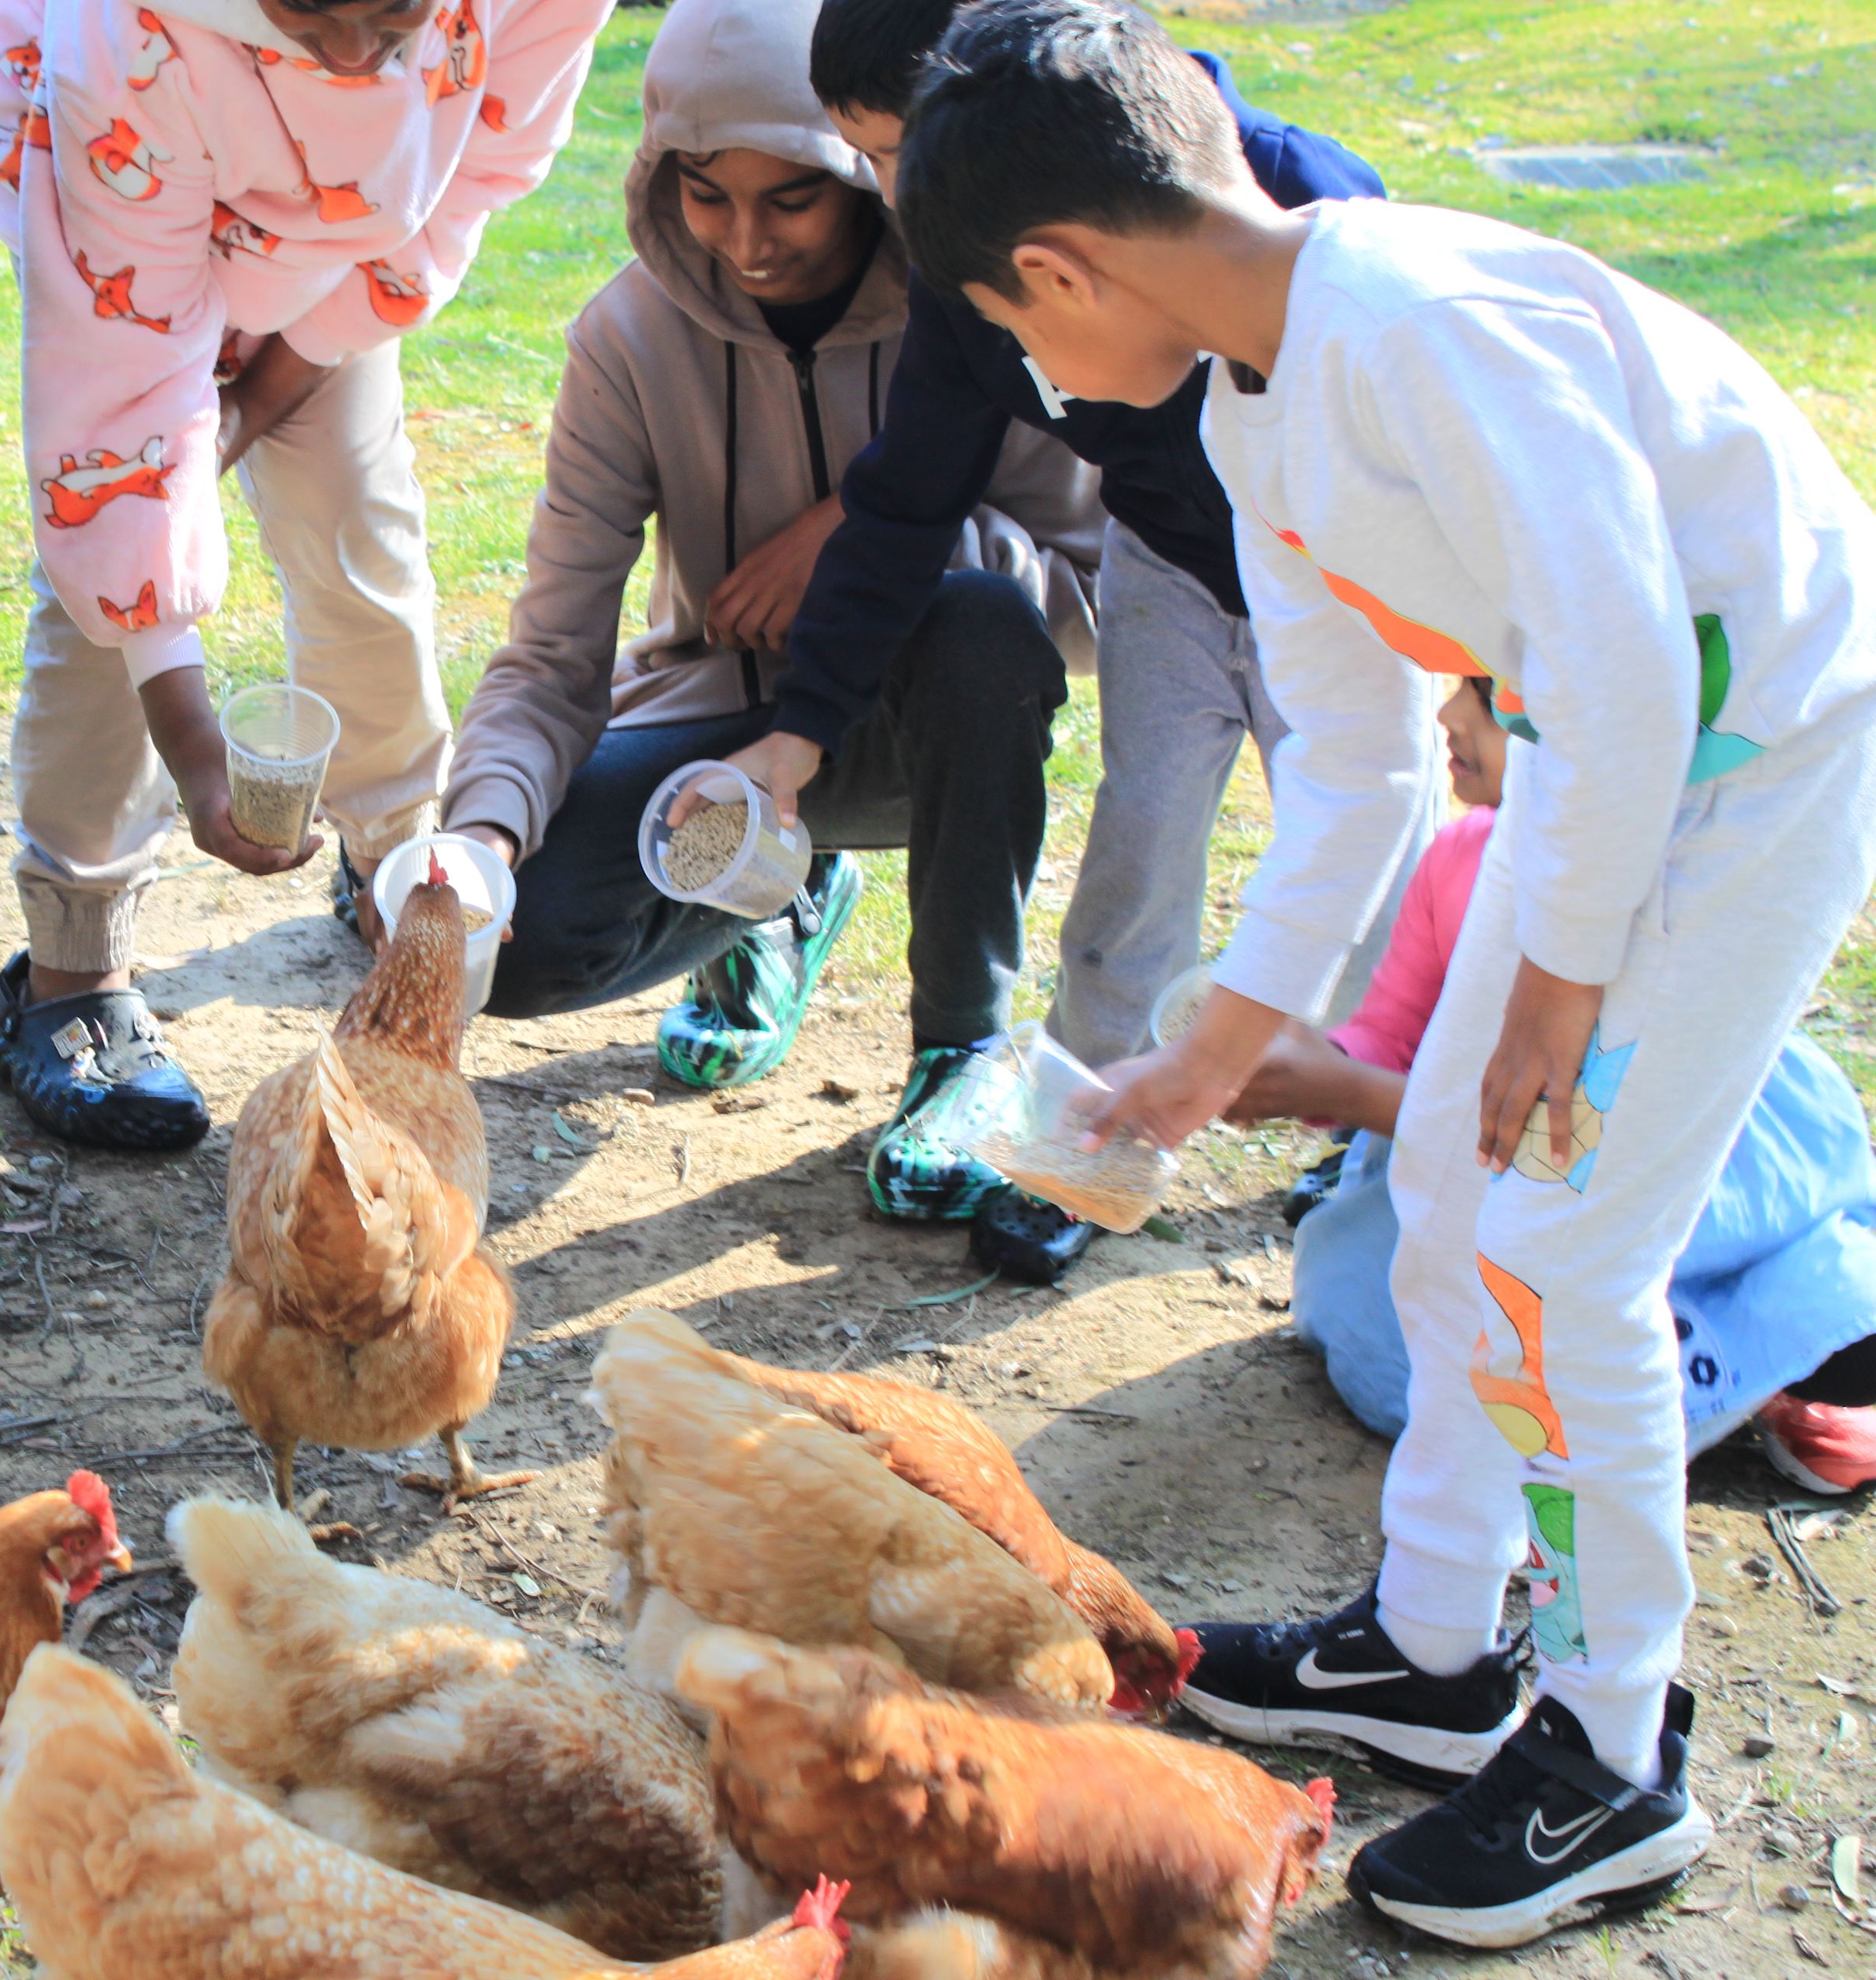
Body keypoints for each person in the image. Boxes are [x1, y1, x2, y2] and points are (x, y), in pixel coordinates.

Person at [895, 0, 1876, 1941]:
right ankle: (1434, 1642)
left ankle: (1611, 1746)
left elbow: (1607, 666)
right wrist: (1218, 1042)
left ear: (1056, 266)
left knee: (1557, 1256)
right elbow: (1349, 751)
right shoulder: (1254, 400)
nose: (1026, 365)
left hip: (1748, 760)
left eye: (1009, 330)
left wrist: (1556, 984)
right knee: (1443, 1185)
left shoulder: (1420, 320)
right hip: (1615, 777)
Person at [711, 0, 1418, 1285]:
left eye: (897, 153)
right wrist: (803, 728)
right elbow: (906, 497)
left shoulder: (1303, 214)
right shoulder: (963, 270)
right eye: (864, 159)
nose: (888, 193)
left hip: (1349, 579)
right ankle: (1091, 1148)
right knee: (1137, 853)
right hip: (1175, 568)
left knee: (1380, 874)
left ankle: (1373, 1140)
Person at [0, 0, 611, 1149]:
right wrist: (197, 748)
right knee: (104, 567)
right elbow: (116, 415)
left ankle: (402, 874)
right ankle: (74, 963)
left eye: (394, 13)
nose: (354, 52)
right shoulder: (120, 42)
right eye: (310, 10)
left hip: (340, 263)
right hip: (124, 228)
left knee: (356, 517)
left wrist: (273, 384)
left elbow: (479, 160)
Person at [438, 0, 1100, 1089]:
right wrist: (479, 844)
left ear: (863, 170)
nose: (747, 243)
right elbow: (552, 655)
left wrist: (875, 536)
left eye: (791, 198)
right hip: (715, 739)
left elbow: (1082, 605)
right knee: (529, 941)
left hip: (913, 737)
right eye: (705, 194)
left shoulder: (981, 305)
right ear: (661, 178)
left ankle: (961, 1051)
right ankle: (774, 898)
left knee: (981, 634)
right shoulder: (625, 340)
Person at [1241, 679, 1876, 1495]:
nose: (1447, 716)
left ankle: (1772, 1378)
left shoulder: (1666, 884)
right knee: (1368, 1312)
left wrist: (1359, 1093)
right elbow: (1390, 1038)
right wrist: (1316, 1065)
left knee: (1838, 1330)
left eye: (1483, 695)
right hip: (1478, 1181)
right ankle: (1732, 1390)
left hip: (1690, 1180)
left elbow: (1577, 1131)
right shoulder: (1457, 857)